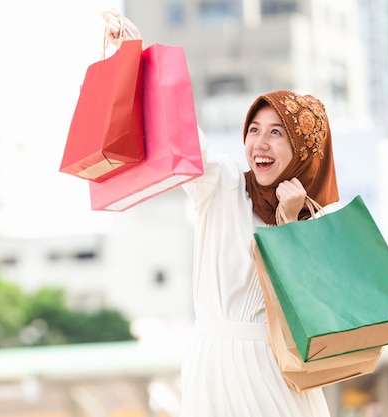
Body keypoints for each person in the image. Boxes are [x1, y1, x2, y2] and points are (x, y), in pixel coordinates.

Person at [103, 9, 341, 417]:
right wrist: (136, 56)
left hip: (276, 374)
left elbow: (312, 313)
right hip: (212, 365)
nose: (259, 143)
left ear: (304, 150)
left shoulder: (317, 222)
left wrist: (289, 220)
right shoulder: (225, 186)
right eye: (254, 130)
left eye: (277, 132)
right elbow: (180, 133)